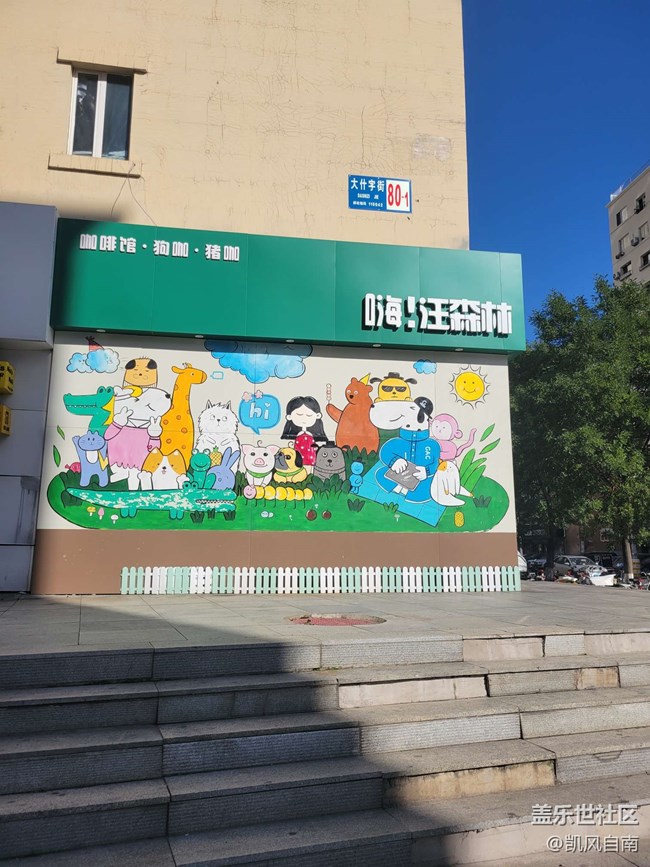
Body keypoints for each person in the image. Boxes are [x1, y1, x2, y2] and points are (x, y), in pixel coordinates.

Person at [281, 396, 328, 471]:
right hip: (295, 458)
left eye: (309, 415)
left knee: (308, 469)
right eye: (299, 415)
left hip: (310, 457)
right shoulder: (294, 434)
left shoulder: (314, 435)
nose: (304, 419)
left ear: (317, 415)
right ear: (289, 417)